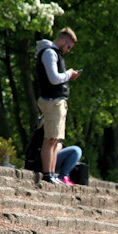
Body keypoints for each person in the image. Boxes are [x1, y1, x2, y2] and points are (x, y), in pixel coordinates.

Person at [35, 27, 81, 184]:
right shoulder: (49, 53)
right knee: (50, 139)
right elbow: (54, 78)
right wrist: (69, 74)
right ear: (63, 40)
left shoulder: (55, 53)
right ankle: (48, 174)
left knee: (56, 140)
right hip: (52, 101)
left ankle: (52, 174)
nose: (68, 50)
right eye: (69, 46)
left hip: (57, 102)